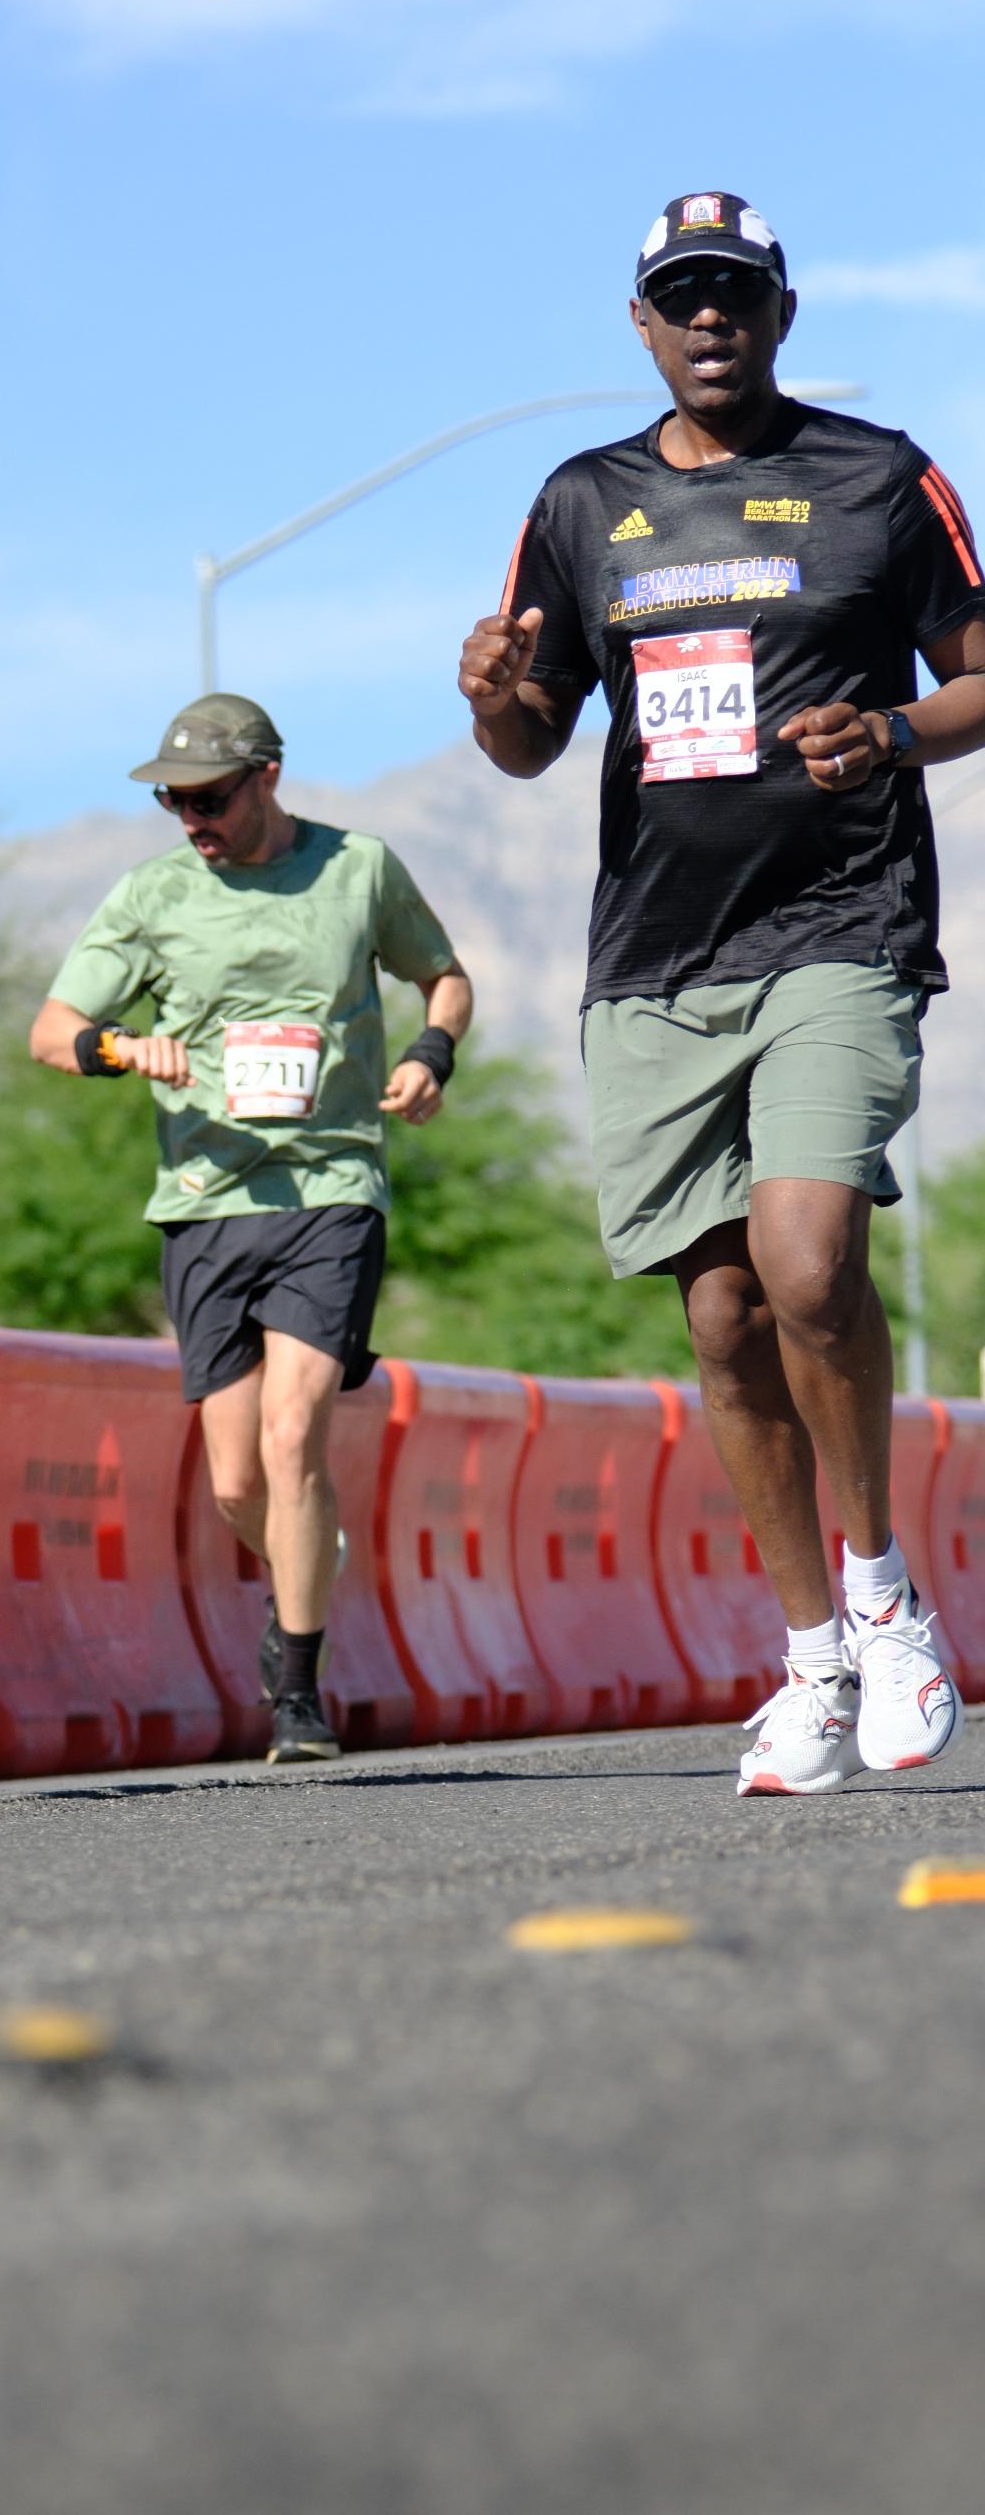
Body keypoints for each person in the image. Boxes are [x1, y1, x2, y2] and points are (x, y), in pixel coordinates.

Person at [462, 190, 985, 1794]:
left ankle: (888, 1601)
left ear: (781, 314)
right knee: (722, 1314)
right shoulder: (583, 502)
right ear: (642, 324)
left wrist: (890, 733)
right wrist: (492, 701)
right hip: (658, 958)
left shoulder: (877, 477)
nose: (710, 320)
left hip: (839, 925)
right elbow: (532, 736)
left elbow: (982, 670)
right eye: (682, 297)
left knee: (809, 1261)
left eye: (736, 295)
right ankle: (811, 1656)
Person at [28, 693, 472, 1761]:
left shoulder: (359, 870)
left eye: (210, 799)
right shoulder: (154, 895)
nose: (193, 820)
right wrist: (121, 1050)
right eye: (174, 804)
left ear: (268, 776)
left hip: (331, 1189)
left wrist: (431, 1054)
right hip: (206, 1202)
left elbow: (444, 979)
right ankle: (304, 1560)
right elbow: (52, 1030)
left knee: (293, 1434)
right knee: (237, 1481)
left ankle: (299, 1696)